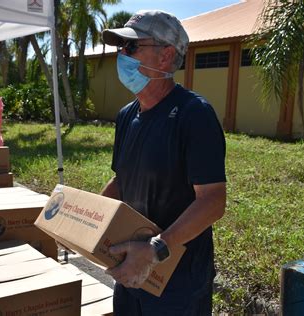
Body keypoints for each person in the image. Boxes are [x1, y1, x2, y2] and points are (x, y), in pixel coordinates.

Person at [100, 10, 227, 315]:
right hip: (131, 264)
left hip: (177, 278)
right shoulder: (126, 115)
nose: (122, 56)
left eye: (131, 47)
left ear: (166, 56)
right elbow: (122, 181)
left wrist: (156, 248)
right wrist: (89, 219)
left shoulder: (194, 114)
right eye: (120, 48)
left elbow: (213, 201)